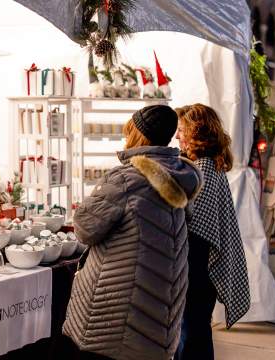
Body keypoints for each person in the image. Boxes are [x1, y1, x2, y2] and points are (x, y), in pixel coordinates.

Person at [63, 105, 203, 360]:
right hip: (160, 299)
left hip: (119, 303)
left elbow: (85, 228)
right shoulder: (181, 175)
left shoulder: (126, 178)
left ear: (138, 134)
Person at [174, 104, 250, 360]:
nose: (177, 136)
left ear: (196, 131)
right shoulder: (208, 164)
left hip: (197, 267)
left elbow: (198, 230)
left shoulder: (202, 168)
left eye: (181, 130)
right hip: (201, 267)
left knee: (192, 334)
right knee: (196, 332)